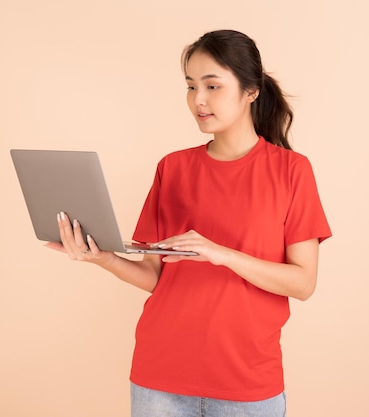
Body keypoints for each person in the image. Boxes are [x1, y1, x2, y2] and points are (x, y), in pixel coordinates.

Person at [46, 29, 331, 417]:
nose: (198, 100)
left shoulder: (291, 171)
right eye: (191, 86)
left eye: (213, 86)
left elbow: (303, 283)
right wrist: (102, 258)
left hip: (246, 384)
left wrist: (222, 254)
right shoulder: (173, 168)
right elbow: (157, 276)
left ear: (251, 91)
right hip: (158, 378)